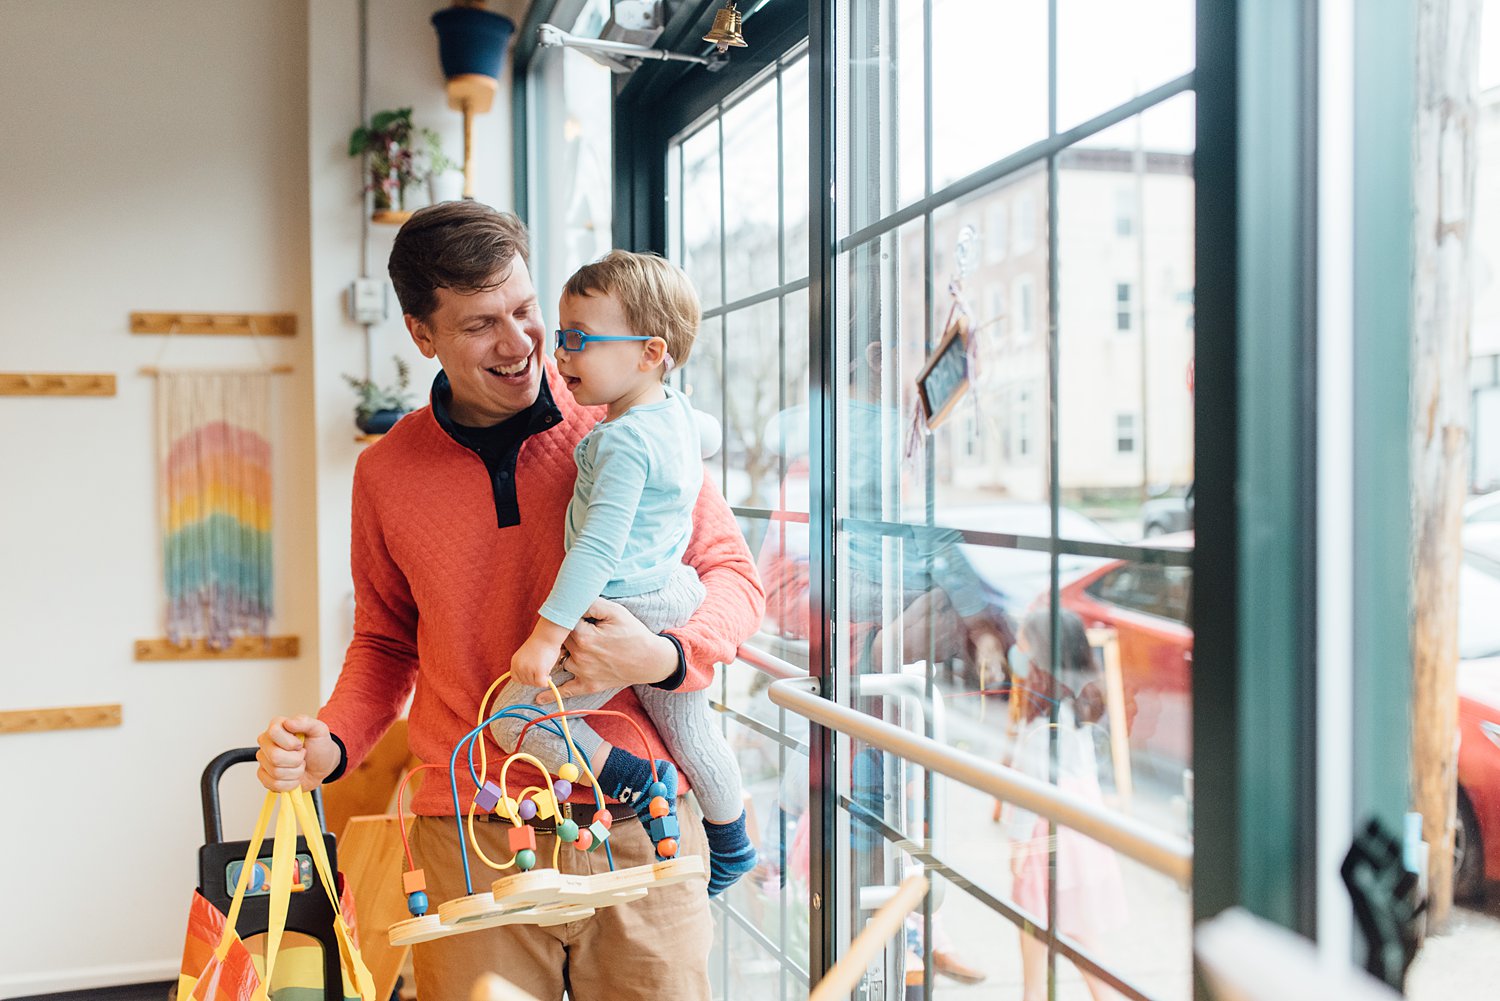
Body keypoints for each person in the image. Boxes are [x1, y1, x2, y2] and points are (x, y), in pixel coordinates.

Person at [253, 202, 765, 1001]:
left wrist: (665, 658)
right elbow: (385, 643)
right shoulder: (386, 474)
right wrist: (335, 739)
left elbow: (732, 575)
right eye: (481, 323)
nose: (522, 341)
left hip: (642, 831)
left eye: (526, 310)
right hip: (470, 835)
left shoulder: (625, 414)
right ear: (423, 335)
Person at [492, 250, 758, 897]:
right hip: (674, 594)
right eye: (562, 336)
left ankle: (634, 780)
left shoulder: (620, 443)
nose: (562, 355)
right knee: (692, 727)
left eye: (580, 339)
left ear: (649, 352)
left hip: (619, 605)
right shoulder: (676, 417)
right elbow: (711, 433)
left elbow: (595, 550)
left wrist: (547, 636)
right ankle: (734, 842)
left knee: (517, 722)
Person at [1001, 608, 1126, 1001]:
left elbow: (1030, 792)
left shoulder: (1046, 723)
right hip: (1076, 829)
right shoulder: (1075, 708)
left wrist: (1019, 845)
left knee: (1050, 930)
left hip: (1048, 832)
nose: (1016, 654)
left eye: (1023, 645)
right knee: (1067, 932)